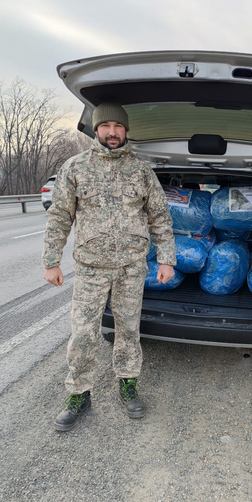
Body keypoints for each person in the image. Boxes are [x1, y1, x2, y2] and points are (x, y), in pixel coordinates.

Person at [42, 102, 176, 431]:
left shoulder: (142, 171)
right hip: (90, 269)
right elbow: (60, 216)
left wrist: (166, 258)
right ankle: (79, 394)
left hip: (131, 268)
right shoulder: (75, 168)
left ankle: (128, 385)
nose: (112, 132)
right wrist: (51, 261)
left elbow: (159, 216)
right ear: (96, 130)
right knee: (83, 334)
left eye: (118, 126)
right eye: (105, 126)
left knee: (129, 330)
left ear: (126, 131)